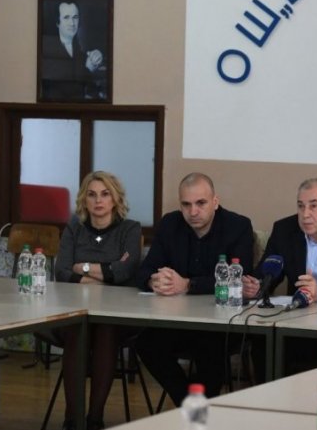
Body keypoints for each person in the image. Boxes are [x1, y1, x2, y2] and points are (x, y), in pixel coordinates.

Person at [135, 173, 254, 405]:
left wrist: (188, 284)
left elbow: (240, 278)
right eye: (186, 204)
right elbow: (144, 270)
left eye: (201, 203)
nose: (193, 211)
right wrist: (153, 280)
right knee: (146, 343)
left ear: (215, 202)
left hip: (221, 324)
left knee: (211, 349)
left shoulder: (238, 226)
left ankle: (195, 409)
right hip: (179, 320)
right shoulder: (170, 224)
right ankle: (189, 403)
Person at [54, 171, 142, 430]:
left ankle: (94, 419)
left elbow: (125, 270)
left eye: (105, 194)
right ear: (84, 199)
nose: (98, 201)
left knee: (105, 329)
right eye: (91, 195)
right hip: (76, 309)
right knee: (77, 328)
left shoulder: (130, 229)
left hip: (117, 314)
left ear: (115, 199)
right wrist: (105, 274)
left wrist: (81, 268)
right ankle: (73, 420)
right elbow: (61, 271)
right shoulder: (74, 227)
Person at [40, 0, 107, 100]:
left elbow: (84, 63)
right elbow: (67, 88)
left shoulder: (76, 46)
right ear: (57, 22)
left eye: (75, 17)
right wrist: (88, 69)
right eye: (66, 17)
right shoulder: (48, 48)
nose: (72, 23)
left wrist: (96, 56)